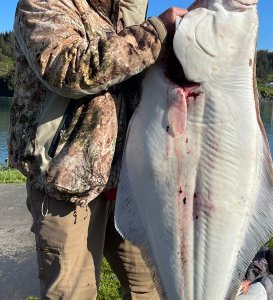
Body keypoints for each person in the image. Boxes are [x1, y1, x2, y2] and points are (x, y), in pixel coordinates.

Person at [8, 0, 187, 299]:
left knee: (152, 287)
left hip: (124, 187)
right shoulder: (40, 5)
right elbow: (68, 70)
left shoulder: (120, 17)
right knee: (72, 293)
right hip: (64, 186)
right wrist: (156, 33)